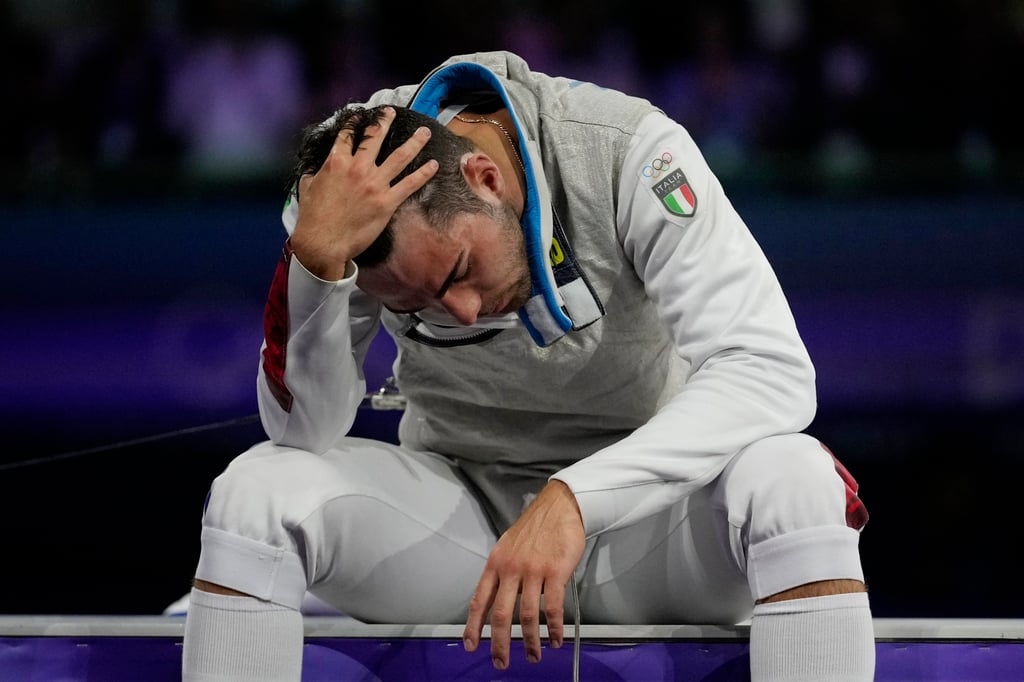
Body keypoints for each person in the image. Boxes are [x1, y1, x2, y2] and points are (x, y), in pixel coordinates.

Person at [181, 50, 874, 681]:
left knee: (796, 479)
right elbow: (304, 430)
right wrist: (315, 267)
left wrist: (574, 497)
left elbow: (768, 369)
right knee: (255, 492)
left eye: (459, 270)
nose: (461, 311)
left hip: (652, 530)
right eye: (422, 303)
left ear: (486, 179)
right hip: (462, 536)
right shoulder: (343, 192)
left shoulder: (628, 152)